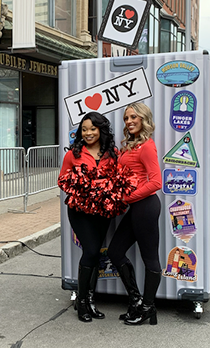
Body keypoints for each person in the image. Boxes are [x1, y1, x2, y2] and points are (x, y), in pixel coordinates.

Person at [58, 112, 118, 322]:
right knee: (91, 251)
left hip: (103, 211)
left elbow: (118, 179)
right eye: (84, 129)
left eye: (92, 129)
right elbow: (62, 181)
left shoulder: (112, 153)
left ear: (101, 130)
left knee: (94, 254)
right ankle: (82, 302)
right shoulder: (73, 154)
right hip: (80, 211)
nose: (88, 133)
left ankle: (90, 300)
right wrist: (84, 187)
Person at [107, 102, 162, 326]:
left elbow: (156, 181)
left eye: (133, 117)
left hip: (146, 207)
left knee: (150, 259)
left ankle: (148, 307)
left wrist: (127, 198)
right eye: (126, 118)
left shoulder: (147, 145)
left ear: (143, 119)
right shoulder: (130, 145)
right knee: (115, 251)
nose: (129, 121)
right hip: (136, 207)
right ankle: (136, 301)